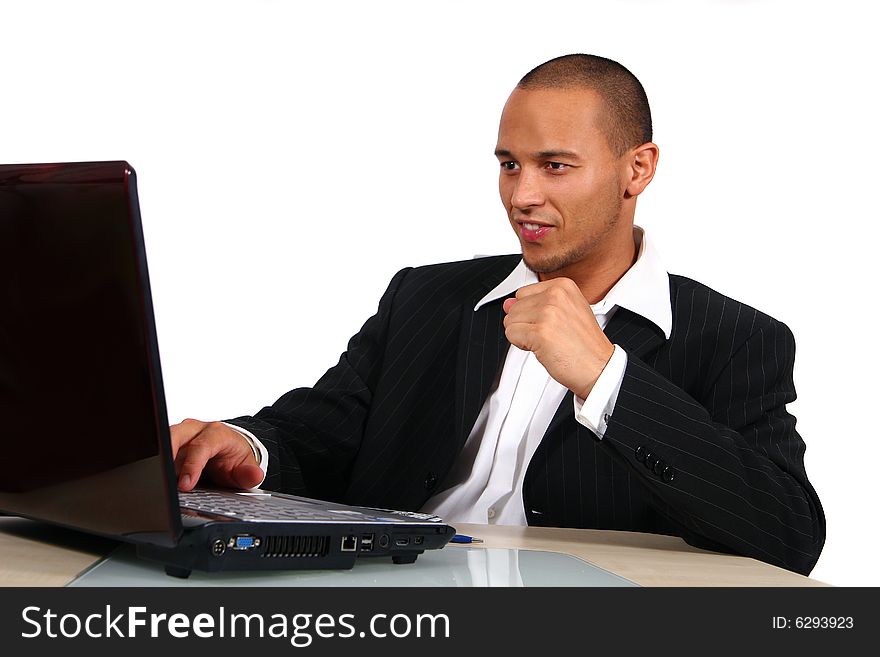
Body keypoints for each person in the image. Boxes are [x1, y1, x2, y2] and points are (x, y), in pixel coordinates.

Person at [170, 54, 825, 575]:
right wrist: (244, 444)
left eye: (555, 166)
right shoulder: (425, 296)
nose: (523, 195)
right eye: (509, 165)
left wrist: (608, 378)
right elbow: (321, 435)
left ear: (638, 170)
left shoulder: (733, 339)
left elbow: (789, 533)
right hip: (388, 603)